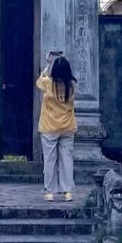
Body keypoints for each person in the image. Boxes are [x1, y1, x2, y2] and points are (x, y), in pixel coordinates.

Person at [37, 52, 77, 202]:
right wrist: (63, 59)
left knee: (49, 159)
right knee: (67, 159)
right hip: (67, 126)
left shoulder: (48, 84)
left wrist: (48, 63)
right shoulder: (73, 85)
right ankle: (68, 192)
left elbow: (39, 80)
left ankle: (50, 191)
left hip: (49, 126)